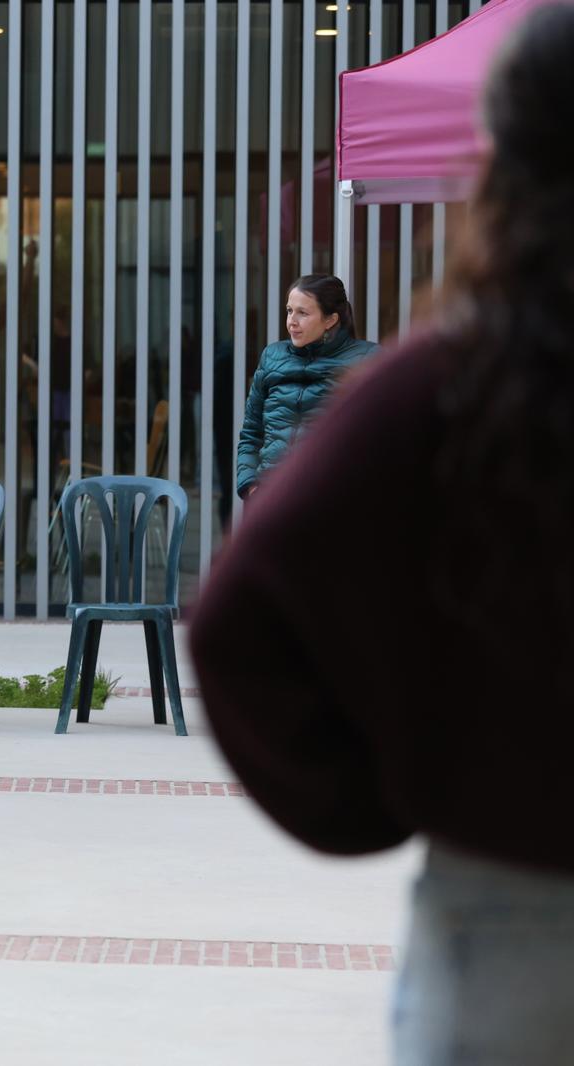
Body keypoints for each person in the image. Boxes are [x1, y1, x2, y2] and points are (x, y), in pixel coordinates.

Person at [189, 5, 574, 1063]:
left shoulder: (443, 385)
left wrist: (369, 800)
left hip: (514, 891)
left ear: (498, 166)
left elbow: (236, 627)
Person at [235, 274, 377, 500]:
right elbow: (252, 433)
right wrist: (250, 486)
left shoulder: (367, 360)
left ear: (330, 319)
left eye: (303, 313)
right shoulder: (272, 356)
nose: (292, 321)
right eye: (290, 311)